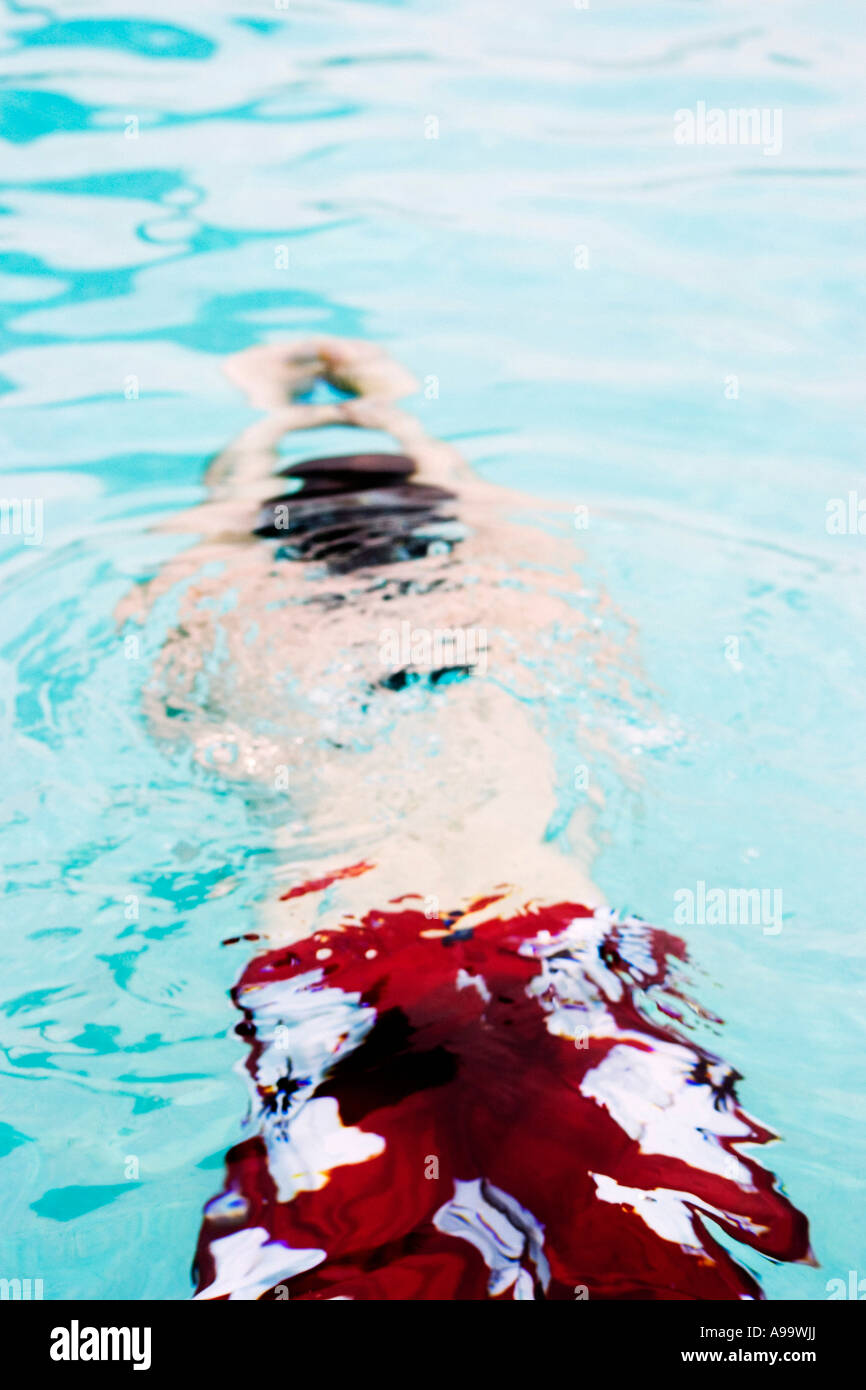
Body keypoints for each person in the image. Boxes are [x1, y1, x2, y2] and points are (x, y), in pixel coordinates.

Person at [118, 338, 810, 1299]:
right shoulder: (510, 602)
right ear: (442, 527)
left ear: (274, 538)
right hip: (548, 925)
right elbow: (602, 738)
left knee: (350, 1249)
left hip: (338, 948)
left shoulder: (240, 614)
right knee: (636, 1234)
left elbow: (188, 611)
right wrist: (395, 414)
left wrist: (267, 420)